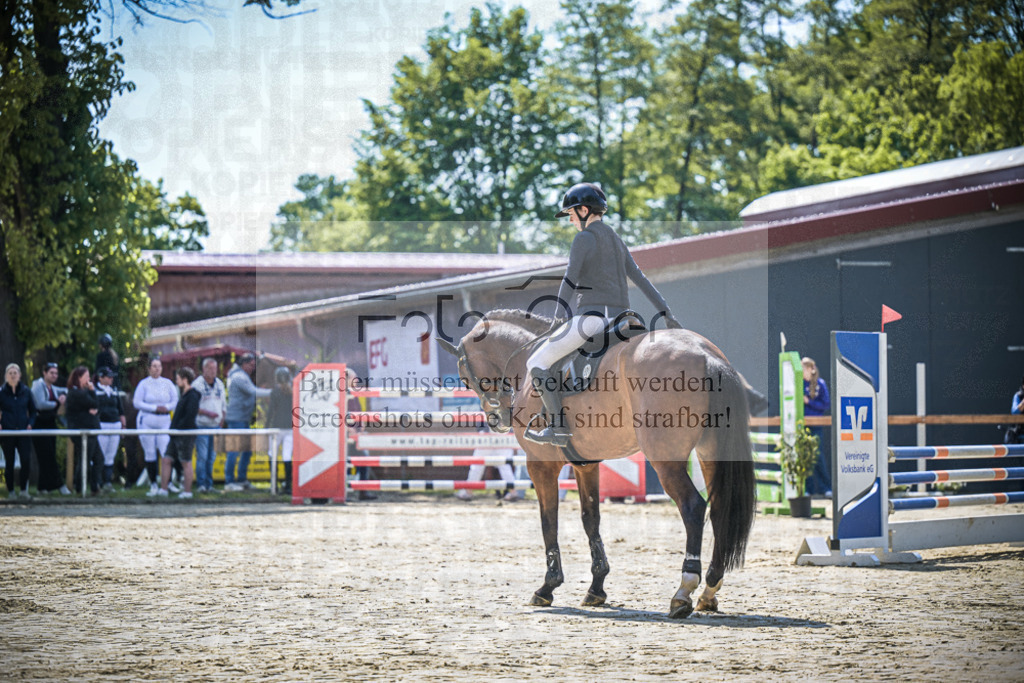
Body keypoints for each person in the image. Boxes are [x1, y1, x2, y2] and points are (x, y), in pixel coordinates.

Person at [524, 182, 683, 446]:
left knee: (537, 363)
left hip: (592, 320)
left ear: (584, 210)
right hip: (623, 318)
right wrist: (666, 312)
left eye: (572, 214)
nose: (571, 219)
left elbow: (570, 279)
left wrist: (558, 316)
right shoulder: (616, 240)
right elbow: (640, 279)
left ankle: (558, 428)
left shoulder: (584, 238)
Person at [223, 353, 271, 491]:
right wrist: (273, 392)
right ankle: (229, 482)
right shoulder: (239, 376)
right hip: (236, 419)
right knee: (234, 449)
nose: (253, 368)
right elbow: (253, 392)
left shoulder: (241, 375)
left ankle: (242, 479)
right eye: (251, 365)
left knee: (247, 450)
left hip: (243, 418)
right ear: (244, 364)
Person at [150, 367, 200, 499]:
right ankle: (164, 489)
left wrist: (178, 428)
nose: (176, 381)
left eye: (178, 379)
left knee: (185, 462)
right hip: (175, 434)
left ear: (185, 379)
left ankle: (188, 492)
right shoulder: (184, 395)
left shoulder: (193, 395)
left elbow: (189, 416)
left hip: (185, 435)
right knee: (166, 460)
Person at [133, 358, 178, 493]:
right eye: (154, 366)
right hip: (148, 420)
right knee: (150, 452)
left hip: (164, 420)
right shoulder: (144, 384)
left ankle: (167, 483)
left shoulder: (167, 383)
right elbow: (137, 402)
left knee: (165, 451)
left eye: (159, 366)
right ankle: (153, 483)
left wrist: (167, 407)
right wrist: (154, 407)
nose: (157, 368)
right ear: (149, 368)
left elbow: (175, 400)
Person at [31, 363, 70, 495]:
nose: (54, 376)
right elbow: (41, 404)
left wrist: (64, 395)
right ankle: (59, 485)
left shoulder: (52, 387)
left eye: (56, 373)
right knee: (47, 455)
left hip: (50, 423)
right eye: (52, 373)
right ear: (44, 373)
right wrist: (58, 402)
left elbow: (65, 391)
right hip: (39, 424)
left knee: (49, 454)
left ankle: (42, 488)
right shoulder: (38, 385)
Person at [0, 363, 36, 499]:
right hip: (8, 433)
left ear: (20, 375)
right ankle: (10, 492)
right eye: (10, 373)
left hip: (23, 432)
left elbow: (33, 411)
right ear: (6, 376)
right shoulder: (1, 393)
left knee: (25, 460)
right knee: (9, 462)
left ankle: (23, 490)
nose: (13, 375)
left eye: (15, 373)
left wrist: (30, 425)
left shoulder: (26, 391)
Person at [65, 366, 103, 494]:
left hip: (91, 430)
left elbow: (95, 407)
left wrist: (92, 408)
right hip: (82, 431)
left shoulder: (82, 392)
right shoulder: (76, 393)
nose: (88, 380)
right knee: (85, 460)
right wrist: (92, 391)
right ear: (79, 378)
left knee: (98, 458)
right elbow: (94, 404)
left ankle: (94, 486)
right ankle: (79, 487)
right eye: (86, 377)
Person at [192, 357, 225, 493]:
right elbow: (193, 406)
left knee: (211, 457)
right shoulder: (197, 385)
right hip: (202, 425)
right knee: (203, 456)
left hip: (216, 426)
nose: (213, 371)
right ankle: (201, 485)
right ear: (204, 369)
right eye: (210, 368)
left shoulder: (220, 384)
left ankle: (209, 484)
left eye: (215, 368)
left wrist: (222, 420)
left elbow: (223, 405)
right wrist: (206, 413)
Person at [802, 356, 832, 497]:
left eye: (804, 369)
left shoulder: (820, 384)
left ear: (811, 369)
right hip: (802, 425)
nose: (803, 373)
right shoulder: (799, 384)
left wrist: (809, 402)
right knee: (805, 457)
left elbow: (826, 404)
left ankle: (825, 487)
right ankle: (807, 489)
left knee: (818, 456)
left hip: (816, 424)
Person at [346, 368, 376, 500]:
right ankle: (344, 491)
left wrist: (362, 423)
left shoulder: (354, 394)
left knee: (364, 460)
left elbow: (359, 411)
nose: (357, 380)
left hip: (356, 435)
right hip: (344, 437)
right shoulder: (340, 394)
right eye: (354, 377)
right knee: (344, 464)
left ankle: (363, 491)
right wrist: (347, 428)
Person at [95, 366, 125, 491]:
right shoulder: (95, 391)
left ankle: (107, 481)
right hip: (102, 425)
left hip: (115, 425)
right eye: (108, 377)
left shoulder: (114, 391)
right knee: (100, 454)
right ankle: (97, 481)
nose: (111, 379)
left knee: (110, 455)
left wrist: (123, 425)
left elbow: (120, 410)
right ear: (101, 377)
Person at [266, 366, 294, 494]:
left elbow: (271, 411)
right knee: (287, 456)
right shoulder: (294, 392)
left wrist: (266, 427)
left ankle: (274, 484)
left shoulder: (275, 392)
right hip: (290, 428)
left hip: (276, 428)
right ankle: (288, 485)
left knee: (272, 455)